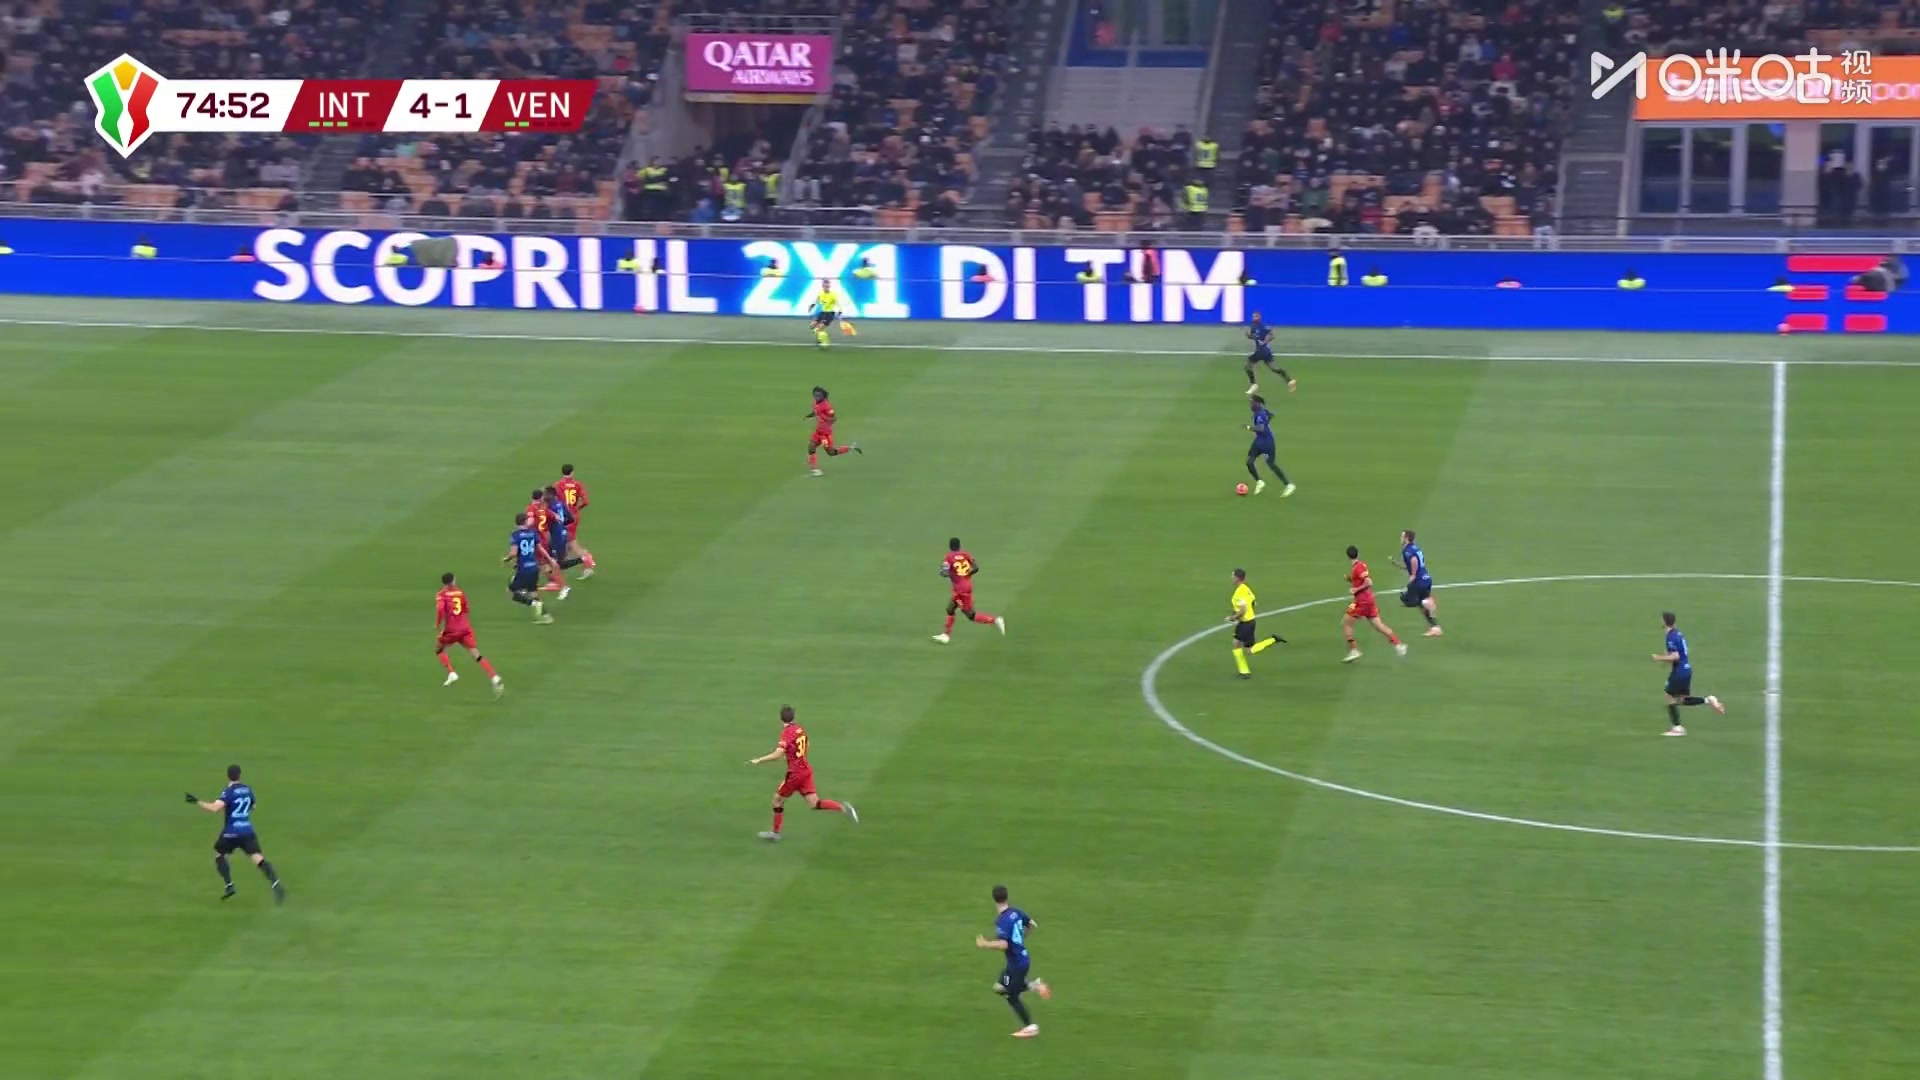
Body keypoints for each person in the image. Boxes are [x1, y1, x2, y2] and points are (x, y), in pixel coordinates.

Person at [747, 705, 858, 839]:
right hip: (805, 770)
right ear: (793, 717)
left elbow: (778, 754)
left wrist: (760, 760)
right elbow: (807, 745)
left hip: (795, 774)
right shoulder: (799, 729)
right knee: (814, 803)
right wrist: (794, 755)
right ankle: (843, 808)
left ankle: (775, 833)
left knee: (777, 801)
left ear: (780, 719)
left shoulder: (787, 732)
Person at [186, 765, 284, 904]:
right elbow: (253, 806)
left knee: (219, 854)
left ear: (228, 776)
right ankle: (276, 884)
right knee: (258, 858)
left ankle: (229, 885)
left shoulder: (228, 792)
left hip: (231, 833)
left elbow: (215, 808)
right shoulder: (248, 789)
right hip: (247, 831)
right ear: (239, 775)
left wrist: (197, 801)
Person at [975, 884, 1051, 1038]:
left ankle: (1030, 1027)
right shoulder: (1016, 912)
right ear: (1007, 897)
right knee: (999, 987)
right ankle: (1035, 986)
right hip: (1020, 960)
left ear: (994, 900)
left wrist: (985, 944)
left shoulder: (1002, 921)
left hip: (1017, 964)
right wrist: (1021, 939)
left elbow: (1004, 944)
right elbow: (1032, 924)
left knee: (1011, 996)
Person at [1653, 611, 1724, 736]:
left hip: (1679, 671)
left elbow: (1675, 656)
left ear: (1664, 621)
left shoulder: (1670, 636)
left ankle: (1677, 728)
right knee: (1682, 700)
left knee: (1669, 696)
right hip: (1686, 670)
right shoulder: (1678, 634)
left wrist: (1659, 658)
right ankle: (1708, 700)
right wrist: (1666, 661)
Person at [435, 572, 505, 695]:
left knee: (439, 649)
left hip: (451, 629)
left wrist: (438, 624)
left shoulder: (441, 595)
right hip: (465, 628)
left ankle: (451, 673)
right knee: (476, 654)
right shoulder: (460, 592)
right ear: (453, 581)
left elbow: (440, 609)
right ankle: (493, 676)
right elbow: (466, 608)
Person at [1341, 546, 1405, 662]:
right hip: (1369, 600)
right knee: (1378, 625)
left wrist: (1356, 589)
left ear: (1347, 557)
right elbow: (1362, 581)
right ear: (1358, 554)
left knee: (1346, 623)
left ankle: (1354, 650)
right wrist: (1351, 580)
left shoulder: (1357, 568)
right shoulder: (1361, 565)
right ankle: (1398, 644)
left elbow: (1369, 582)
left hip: (1362, 602)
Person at [936, 537, 1005, 643]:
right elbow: (976, 568)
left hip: (959, 590)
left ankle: (994, 620)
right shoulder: (966, 555)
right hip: (967, 586)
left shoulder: (948, 557)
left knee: (969, 614)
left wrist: (949, 574)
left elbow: (944, 572)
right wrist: (966, 575)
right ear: (959, 546)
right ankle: (946, 635)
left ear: (950, 546)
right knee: (950, 608)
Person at [1227, 568, 1283, 678]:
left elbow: (1243, 610)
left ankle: (1272, 640)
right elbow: (1253, 602)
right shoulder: (1246, 589)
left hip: (1246, 623)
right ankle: (1244, 672)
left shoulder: (1240, 592)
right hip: (1246, 622)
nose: (1232, 578)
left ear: (1237, 578)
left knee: (1249, 650)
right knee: (1236, 645)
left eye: (1233, 576)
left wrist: (1232, 617)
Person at [501, 514, 555, 624]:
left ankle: (535, 604)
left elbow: (514, 553)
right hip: (534, 567)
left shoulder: (516, 535)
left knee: (511, 592)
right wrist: (550, 559)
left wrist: (507, 559)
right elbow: (540, 549)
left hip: (524, 569)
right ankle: (546, 616)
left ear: (516, 523)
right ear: (526, 522)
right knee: (533, 593)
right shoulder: (533, 533)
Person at [1244, 395, 1295, 497]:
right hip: (1259, 441)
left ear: (1258, 403)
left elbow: (1261, 428)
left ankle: (1289, 485)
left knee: (1270, 464)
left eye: (1252, 402)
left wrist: (1249, 427)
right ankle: (1259, 482)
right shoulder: (1263, 411)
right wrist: (1266, 421)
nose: (1251, 405)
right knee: (1249, 461)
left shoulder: (1259, 414)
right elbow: (1271, 415)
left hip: (1267, 443)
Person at [805, 386, 861, 476]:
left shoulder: (827, 406)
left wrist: (823, 418)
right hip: (818, 432)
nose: (816, 397)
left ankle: (850, 448)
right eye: (815, 395)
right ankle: (815, 470)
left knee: (831, 452)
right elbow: (815, 411)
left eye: (819, 396)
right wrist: (809, 416)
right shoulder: (815, 402)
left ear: (823, 396)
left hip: (825, 435)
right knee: (811, 446)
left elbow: (834, 418)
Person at [524, 488, 570, 597]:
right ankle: (528, 585)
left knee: (542, 565)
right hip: (544, 539)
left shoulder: (531, 508)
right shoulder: (543, 509)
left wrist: (523, 528)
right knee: (538, 564)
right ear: (541, 498)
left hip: (537, 540)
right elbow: (557, 517)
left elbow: (530, 521)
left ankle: (563, 586)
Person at [554, 465, 596, 575]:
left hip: (563, 518)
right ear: (572, 472)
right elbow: (586, 501)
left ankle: (587, 560)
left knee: (571, 542)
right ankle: (563, 562)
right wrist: (577, 509)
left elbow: (554, 501)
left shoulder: (557, 485)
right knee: (567, 541)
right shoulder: (578, 484)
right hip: (574, 516)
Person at [1398, 530, 1442, 636]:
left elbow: (1414, 560)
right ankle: (1435, 628)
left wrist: (1413, 575)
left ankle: (1428, 603)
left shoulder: (1407, 550)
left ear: (1407, 538)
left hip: (1419, 581)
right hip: (1425, 578)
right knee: (1420, 602)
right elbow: (1414, 563)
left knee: (1406, 599)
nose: (1401, 538)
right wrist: (1402, 567)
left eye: (1402, 536)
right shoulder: (1415, 547)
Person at [1243, 311, 1296, 396]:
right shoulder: (1253, 326)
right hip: (1265, 351)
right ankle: (1289, 381)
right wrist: (1248, 335)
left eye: (1256, 316)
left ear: (1260, 317)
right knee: (1273, 368)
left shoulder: (1263, 326)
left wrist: (1264, 342)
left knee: (1248, 365)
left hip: (1262, 350)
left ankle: (1254, 385)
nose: (1254, 318)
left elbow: (1271, 335)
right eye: (1253, 316)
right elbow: (1254, 337)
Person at [810, 280, 855, 345]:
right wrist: (811, 306)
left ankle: (825, 341)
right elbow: (816, 301)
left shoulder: (833, 295)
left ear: (829, 286)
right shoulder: (820, 293)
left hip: (829, 314)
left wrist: (840, 311)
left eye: (827, 286)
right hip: (822, 313)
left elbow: (837, 303)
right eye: (825, 286)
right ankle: (820, 339)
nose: (826, 287)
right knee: (812, 326)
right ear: (823, 286)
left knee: (818, 328)